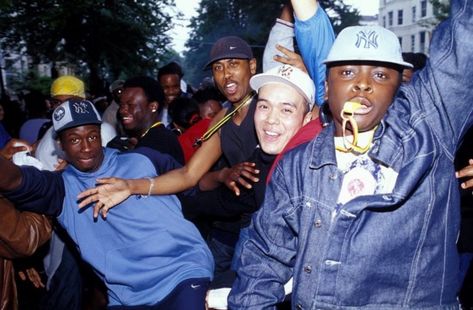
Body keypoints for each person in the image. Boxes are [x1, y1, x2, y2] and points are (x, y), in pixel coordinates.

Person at [228, 0, 473, 308]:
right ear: (326, 87)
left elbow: (466, 39)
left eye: (381, 75)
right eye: (346, 71)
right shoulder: (297, 168)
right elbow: (262, 259)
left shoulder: (431, 131)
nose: (362, 84)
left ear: (399, 87)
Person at [0, 98, 214, 308]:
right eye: (74, 139)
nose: (86, 147)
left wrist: (222, 176)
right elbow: (13, 179)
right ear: (60, 144)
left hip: (181, 274)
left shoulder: (142, 159)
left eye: (92, 137)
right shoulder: (60, 189)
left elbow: (191, 181)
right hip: (128, 297)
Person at [111, 76, 185, 164]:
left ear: (153, 107)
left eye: (130, 105)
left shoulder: (158, 143)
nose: (122, 111)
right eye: (121, 105)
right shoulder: (150, 139)